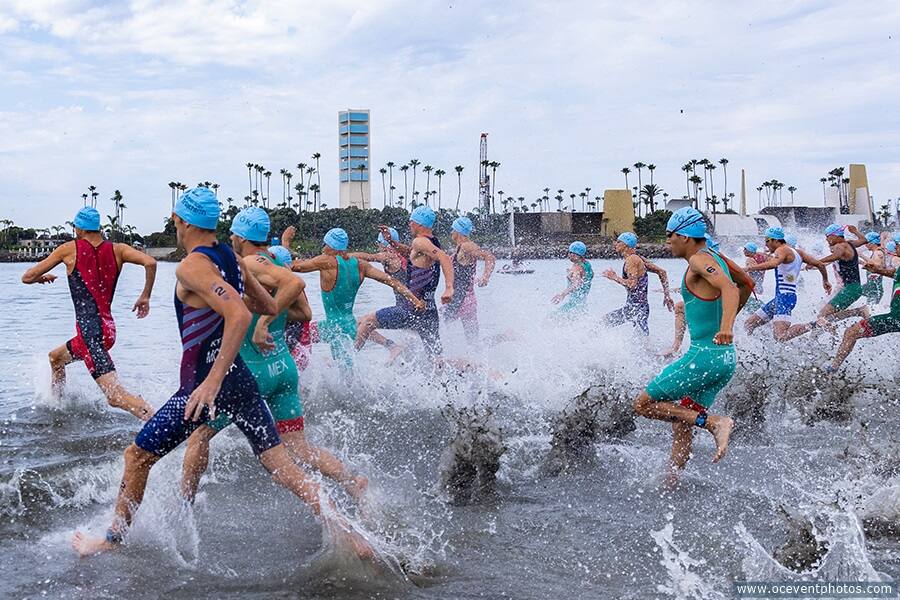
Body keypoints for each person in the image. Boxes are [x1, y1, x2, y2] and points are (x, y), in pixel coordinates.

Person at [71, 188, 372, 560]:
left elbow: (240, 315)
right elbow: (261, 304)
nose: (174, 227)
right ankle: (348, 532)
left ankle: (111, 540)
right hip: (243, 382)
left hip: (205, 386)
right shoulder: (232, 258)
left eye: (175, 221)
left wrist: (212, 382)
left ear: (182, 222)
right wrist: (262, 318)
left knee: (136, 457)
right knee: (281, 465)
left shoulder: (192, 266)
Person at [181, 208, 367, 504]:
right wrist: (265, 307)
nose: (230, 237)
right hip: (283, 367)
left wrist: (262, 321)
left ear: (241, 236)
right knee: (300, 448)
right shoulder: (281, 260)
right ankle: (351, 482)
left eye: (233, 233)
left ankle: (184, 506)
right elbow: (304, 313)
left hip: (251, 373)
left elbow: (296, 285)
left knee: (199, 436)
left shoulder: (251, 263)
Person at [633, 207, 746, 485]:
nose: (667, 241)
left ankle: (714, 423)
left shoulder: (698, 260)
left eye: (669, 235)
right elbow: (746, 282)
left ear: (684, 236)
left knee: (644, 405)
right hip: (725, 359)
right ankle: (672, 481)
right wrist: (725, 319)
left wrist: (726, 327)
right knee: (683, 421)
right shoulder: (717, 257)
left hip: (704, 356)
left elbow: (731, 290)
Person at [21, 206, 157, 420]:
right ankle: (58, 407)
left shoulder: (69, 249)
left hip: (90, 334)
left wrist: (41, 278)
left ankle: (158, 423)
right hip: (107, 330)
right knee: (55, 359)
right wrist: (145, 296)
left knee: (115, 397)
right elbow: (150, 262)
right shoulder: (118, 249)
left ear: (78, 228)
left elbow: (27, 277)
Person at [292, 227, 423, 367]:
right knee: (346, 365)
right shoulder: (361, 266)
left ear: (331, 246)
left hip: (333, 327)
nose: (323, 248)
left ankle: (301, 378)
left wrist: (286, 243)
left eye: (325, 244)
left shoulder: (325, 262)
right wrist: (415, 300)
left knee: (297, 336)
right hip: (350, 325)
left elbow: (294, 267)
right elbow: (393, 282)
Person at [355, 206, 454, 361]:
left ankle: (349, 363)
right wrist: (392, 242)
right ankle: (477, 371)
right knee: (437, 361)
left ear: (419, 224)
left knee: (367, 322)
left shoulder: (420, 241)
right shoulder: (430, 242)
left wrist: (449, 288)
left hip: (411, 310)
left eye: (411, 221)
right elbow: (411, 253)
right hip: (429, 312)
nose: (409, 224)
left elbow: (444, 258)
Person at [776, 223, 867, 338]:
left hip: (851, 289)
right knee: (826, 316)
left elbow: (836, 256)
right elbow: (864, 240)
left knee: (822, 315)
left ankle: (852, 318)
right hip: (853, 288)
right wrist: (855, 232)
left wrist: (817, 262)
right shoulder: (849, 244)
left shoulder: (840, 246)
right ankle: (853, 316)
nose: (826, 239)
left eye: (828, 236)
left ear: (835, 235)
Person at [744, 227, 831, 342]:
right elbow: (820, 264)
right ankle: (753, 350)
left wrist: (747, 268)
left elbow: (774, 264)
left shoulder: (781, 250)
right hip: (781, 298)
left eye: (767, 241)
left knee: (780, 336)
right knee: (749, 324)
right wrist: (825, 281)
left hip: (784, 298)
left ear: (775, 240)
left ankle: (816, 324)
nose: (765, 244)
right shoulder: (798, 252)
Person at [827, 256, 900, 371]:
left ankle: (830, 371)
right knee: (852, 330)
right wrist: (878, 270)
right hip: (893, 316)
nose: (895, 248)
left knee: (851, 332)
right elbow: (896, 274)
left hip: (896, 318)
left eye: (898, 244)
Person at [350, 227, 410, 361]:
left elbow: (369, 257)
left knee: (363, 323)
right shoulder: (406, 255)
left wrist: (343, 256)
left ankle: (349, 358)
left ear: (383, 243)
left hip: (404, 309)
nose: (378, 247)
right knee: (361, 322)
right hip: (412, 308)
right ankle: (393, 347)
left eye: (378, 243)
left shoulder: (389, 255)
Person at [601, 232, 673, 335]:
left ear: (626, 245)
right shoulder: (638, 259)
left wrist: (614, 277)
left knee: (603, 323)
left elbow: (632, 284)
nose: (615, 244)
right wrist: (667, 295)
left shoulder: (632, 260)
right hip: (639, 308)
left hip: (635, 308)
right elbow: (662, 272)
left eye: (618, 242)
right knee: (642, 340)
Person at [442, 217, 496, 344]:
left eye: (453, 230)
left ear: (458, 232)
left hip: (458, 300)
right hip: (468, 300)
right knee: (474, 343)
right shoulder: (462, 247)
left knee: (436, 326)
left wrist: (485, 277)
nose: (451, 233)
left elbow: (490, 257)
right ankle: (505, 336)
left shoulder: (467, 246)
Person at [552, 241, 594, 315]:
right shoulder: (587, 265)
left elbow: (576, 284)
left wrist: (562, 294)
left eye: (573, 254)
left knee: (549, 319)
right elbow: (589, 276)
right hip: (581, 305)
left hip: (573, 305)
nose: (570, 255)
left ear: (580, 255)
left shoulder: (576, 268)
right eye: (570, 253)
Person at [742, 242, 768, 313]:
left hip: (753, 286)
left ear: (750, 250)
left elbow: (750, 268)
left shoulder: (750, 260)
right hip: (759, 286)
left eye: (745, 249)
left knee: (753, 307)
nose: (743, 250)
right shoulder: (761, 257)